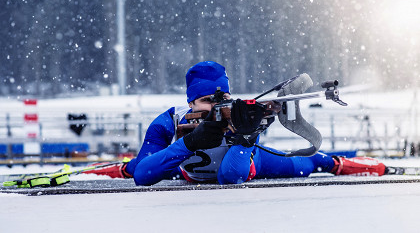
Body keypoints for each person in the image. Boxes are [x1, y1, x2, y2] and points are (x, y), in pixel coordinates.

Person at [86, 61, 386, 185]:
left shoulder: (240, 112)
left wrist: (245, 136)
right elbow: (144, 176)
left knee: (313, 164)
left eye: (223, 97)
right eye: (207, 100)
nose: (217, 105)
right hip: (186, 174)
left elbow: (231, 179)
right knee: (136, 167)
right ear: (191, 102)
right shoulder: (169, 121)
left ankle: (361, 165)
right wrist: (191, 141)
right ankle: (115, 167)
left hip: (249, 165)